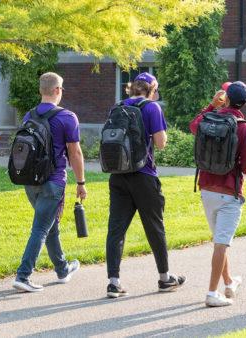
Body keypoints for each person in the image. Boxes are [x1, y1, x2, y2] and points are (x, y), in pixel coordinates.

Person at [105, 72, 185, 298]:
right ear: (152, 89)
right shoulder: (152, 108)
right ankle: (164, 278)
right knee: (154, 227)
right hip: (144, 175)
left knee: (116, 229)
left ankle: (113, 282)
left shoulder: (117, 107)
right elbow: (160, 144)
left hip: (118, 174)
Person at [12, 72, 87, 292]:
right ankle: (23, 276)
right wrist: (81, 182)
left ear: (40, 90)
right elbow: (75, 153)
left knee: (49, 224)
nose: (62, 92)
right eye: (61, 88)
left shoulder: (29, 116)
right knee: (41, 228)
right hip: (53, 182)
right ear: (56, 90)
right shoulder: (67, 117)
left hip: (30, 180)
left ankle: (63, 269)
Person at [189, 81, 246, 307]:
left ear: (225, 98)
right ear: (245, 102)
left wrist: (211, 106)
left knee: (220, 240)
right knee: (221, 243)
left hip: (206, 189)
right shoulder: (245, 128)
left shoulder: (208, 120)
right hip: (229, 193)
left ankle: (229, 282)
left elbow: (193, 126)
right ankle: (211, 293)